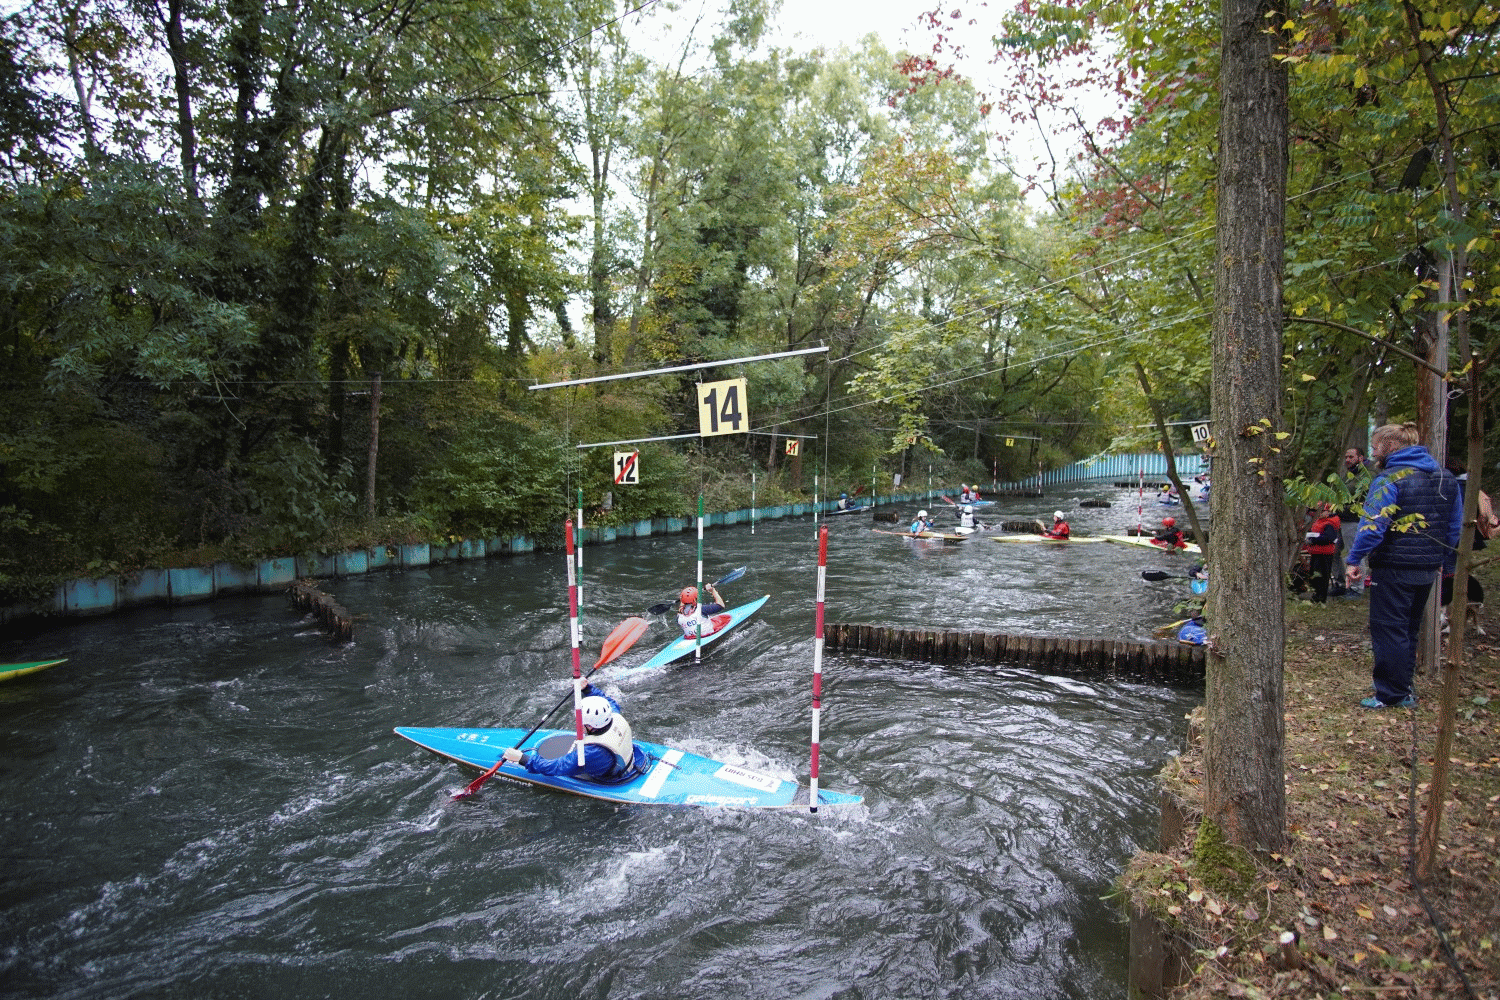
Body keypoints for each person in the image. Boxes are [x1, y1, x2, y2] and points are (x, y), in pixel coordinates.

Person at [1343, 422, 1463, 709]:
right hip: (1427, 568)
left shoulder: (1389, 480)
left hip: (1394, 566)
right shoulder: (1445, 478)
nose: (1372, 453)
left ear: (1391, 446)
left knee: (1389, 629)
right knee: (1408, 629)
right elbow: (1454, 528)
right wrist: (1446, 563)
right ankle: (1403, 688)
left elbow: (1373, 525)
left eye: (1375, 447)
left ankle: (1390, 693)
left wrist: (1353, 558)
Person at [501, 684, 649, 783]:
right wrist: (587, 688)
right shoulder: (613, 714)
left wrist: (523, 759)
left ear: (591, 726)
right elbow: (607, 700)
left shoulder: (590, 753)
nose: (577, 724)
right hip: (631, 761)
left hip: (611, 776)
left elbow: (557, 767)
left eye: (580, 722)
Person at [1338, 446, 1375, 593]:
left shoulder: (1368, 474)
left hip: (1355, 519)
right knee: (1336, 551)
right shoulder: (1349, 474)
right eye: (1346, 457)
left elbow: (1362, 498)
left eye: (1351, 457)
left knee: (1355, 553)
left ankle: (1356, 588)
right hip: (1342, 517)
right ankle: (1342, 583)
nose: (1347, 460)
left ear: (1360, 458)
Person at [1302, 503, 1341, 603]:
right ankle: (1316, 595)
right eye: (1316, 511)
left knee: (1322, 576)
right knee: (1315, 575)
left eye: (1320, 511)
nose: (1317, 513)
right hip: (1316, 552)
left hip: (1325, 554)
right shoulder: (1319, 521)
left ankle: (1321, 597)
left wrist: (1313, 540)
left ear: (1327, 511)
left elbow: (1329, 538)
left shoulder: (1330, 523)